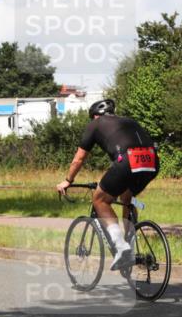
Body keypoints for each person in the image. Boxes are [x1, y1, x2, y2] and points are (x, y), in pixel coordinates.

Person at [56, 99, 159, 270]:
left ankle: (121, 247)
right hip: (152, 161)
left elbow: (79, 159)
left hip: (127, 161)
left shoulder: (95, 124)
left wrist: (68, 180)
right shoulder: (128, 121)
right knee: (127, 197)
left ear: (95, 116)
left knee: (100, 200)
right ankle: (130, 245)